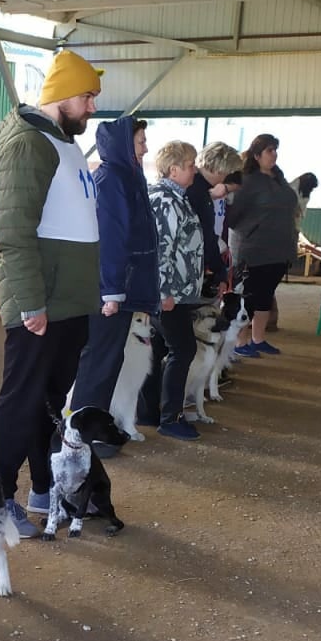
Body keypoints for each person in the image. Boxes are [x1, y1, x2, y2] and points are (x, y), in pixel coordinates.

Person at [0, 48, 103, 536]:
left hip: (67, 302)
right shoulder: (28, 143)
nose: (92, 109)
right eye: (87, 97)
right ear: (61, 97)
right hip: (43, 304)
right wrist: (31, 302)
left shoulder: (61, 142)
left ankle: (43, 489)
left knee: (49, 401)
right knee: (22, 399)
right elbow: (12, 230)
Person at [69, 115, 159, 456]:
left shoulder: (128, 177)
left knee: (107, 363)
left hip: (123, 287)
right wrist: (110, 289)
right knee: (98, 363)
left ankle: (96, 429)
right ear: (124, 144)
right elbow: (110, 238)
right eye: (139, 142)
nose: (145, 148)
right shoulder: (111, 180)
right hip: (110, 291)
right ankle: (82, 438)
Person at [136, 141, 206, 442]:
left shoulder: (176, 197)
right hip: (169, 293)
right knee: (184, 348)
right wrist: (162, 290)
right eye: (190, 165)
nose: (195, 170)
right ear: (174, 169)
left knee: (162, 348)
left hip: (177, 290)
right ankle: (170, 417)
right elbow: (161, 250)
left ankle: (150, 412)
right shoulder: (165, 200)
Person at [226, 133, 298, 357]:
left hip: (279, 249)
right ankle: (240, 342)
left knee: (266, 295)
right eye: (269, 150)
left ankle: (258, 339)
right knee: (249, 296)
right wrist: (250, 229)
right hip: (254, 249)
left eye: (276, 150)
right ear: (256, 155)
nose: (274, 154)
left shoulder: (279, 178)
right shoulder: (246, 181)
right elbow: (233, 215)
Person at [186, 142, 242, 295]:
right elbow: (206, 236)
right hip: (185, 273)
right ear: (220, 169)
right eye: (228, 173)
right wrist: (219, 271)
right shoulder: (197, 192)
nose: (227, 177)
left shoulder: (199, 190)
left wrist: (219, 270)